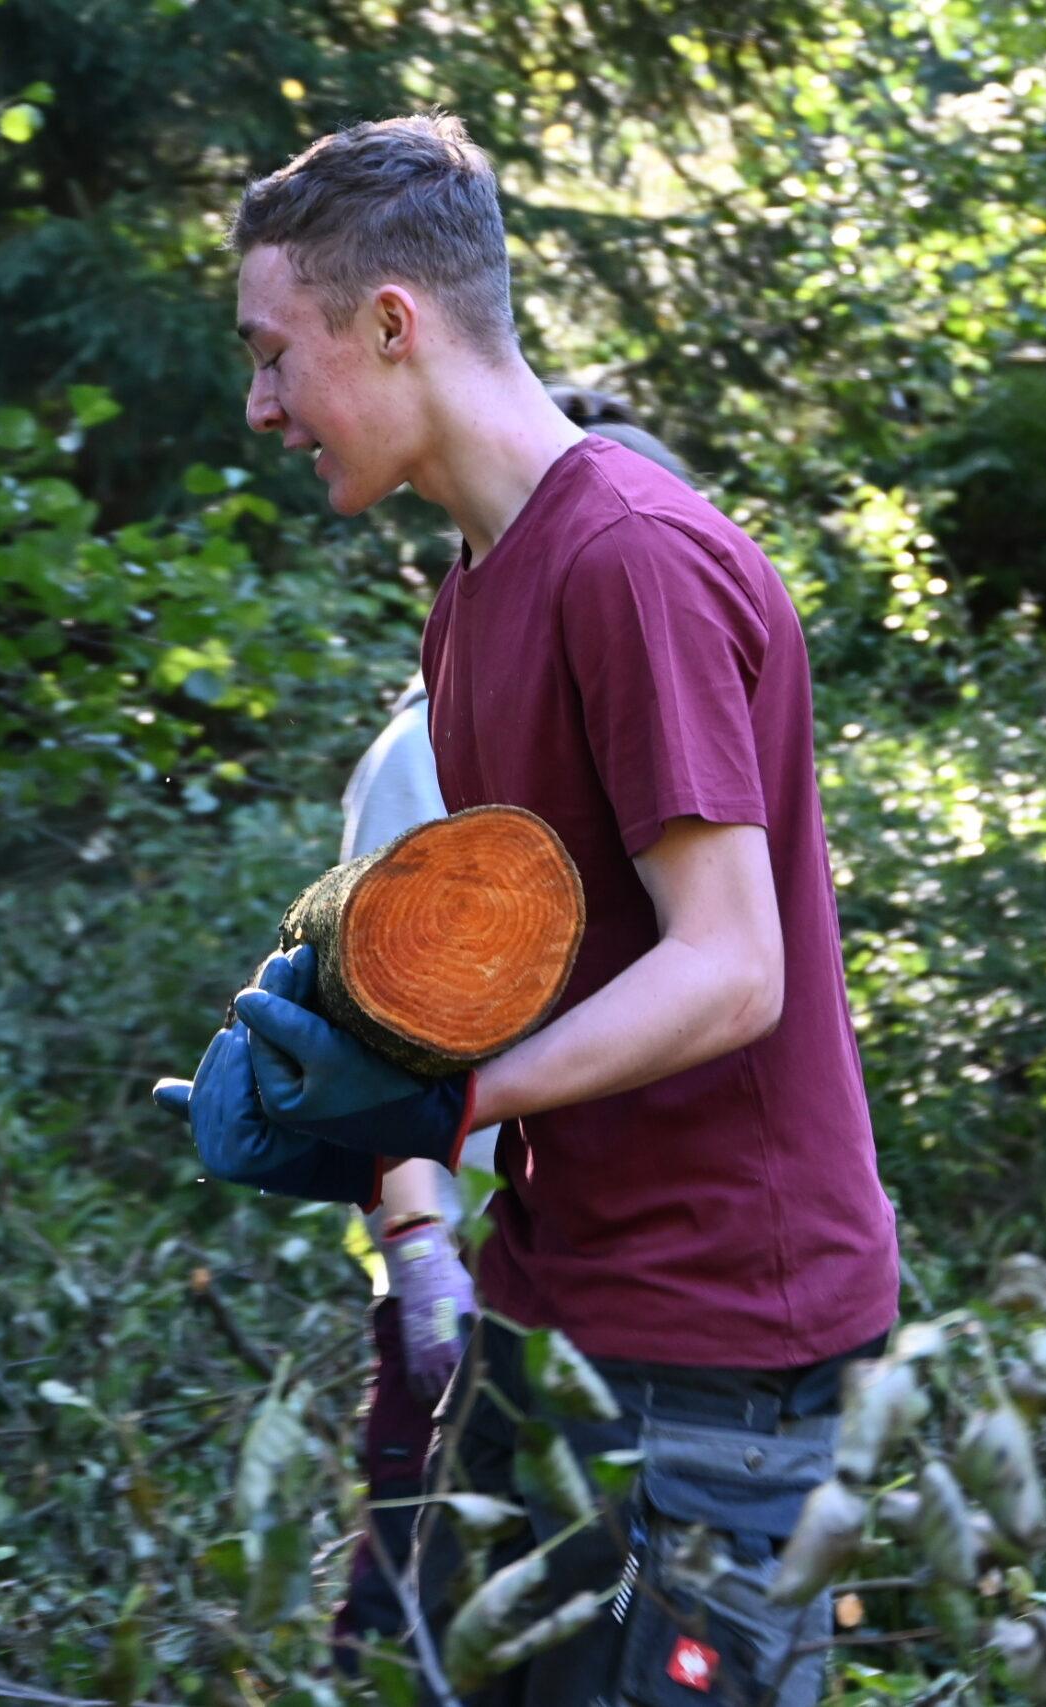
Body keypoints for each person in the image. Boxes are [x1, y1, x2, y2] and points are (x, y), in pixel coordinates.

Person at [153, 112, 900, 1705]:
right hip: (556, 1304)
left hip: (718, 1342)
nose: (260, 403)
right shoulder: (476, 588)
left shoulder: (628, 555)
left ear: (393, 323)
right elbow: (525, 954)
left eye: (274, 351)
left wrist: (451, 1095)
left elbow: (728, 967)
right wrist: (358, 1065)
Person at [328, 394, 696, 1671]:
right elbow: (371, 1041)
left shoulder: (676, 736)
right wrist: (420, 1246)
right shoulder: (419, 758)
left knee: (600, 1614)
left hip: (630, 1282)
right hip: (478, 1262)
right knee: (414, 1618)